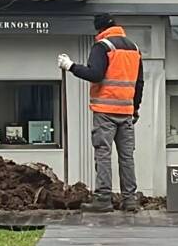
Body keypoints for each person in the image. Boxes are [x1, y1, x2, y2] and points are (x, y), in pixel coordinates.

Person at [58, 14, 144, 213]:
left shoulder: (103, 46)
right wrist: (135, 107)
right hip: (126, 111)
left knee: (103, 155)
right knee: (127, 157)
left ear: (99, 29)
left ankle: (103, 199)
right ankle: (129, 200)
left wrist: (71, 66)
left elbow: (95, 74)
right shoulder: (134, 48)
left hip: (105, 111)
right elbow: (139, 83)